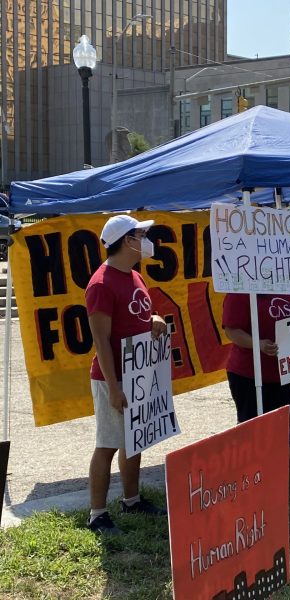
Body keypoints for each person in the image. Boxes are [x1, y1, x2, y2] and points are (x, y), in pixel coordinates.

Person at [85, 215, 168, 535]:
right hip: (113, 377)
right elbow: (101, 340)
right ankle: (97, 514)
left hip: (138, 373)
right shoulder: (101, 284)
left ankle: (131, 500)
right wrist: (113, 386)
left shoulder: (135, 276)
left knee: (135, 441)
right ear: (126, 241)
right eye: (141, 234)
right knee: (108, 444)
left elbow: (144, 315)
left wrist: (157, 317)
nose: (147, 239)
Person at [222, 292, 290, 423]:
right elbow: (231, 330)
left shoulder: (288, 286)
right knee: (253, 430)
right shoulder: (240, 292)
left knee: (279, 428)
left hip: (282, 374)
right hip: (249, 375)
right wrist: (258, 344)